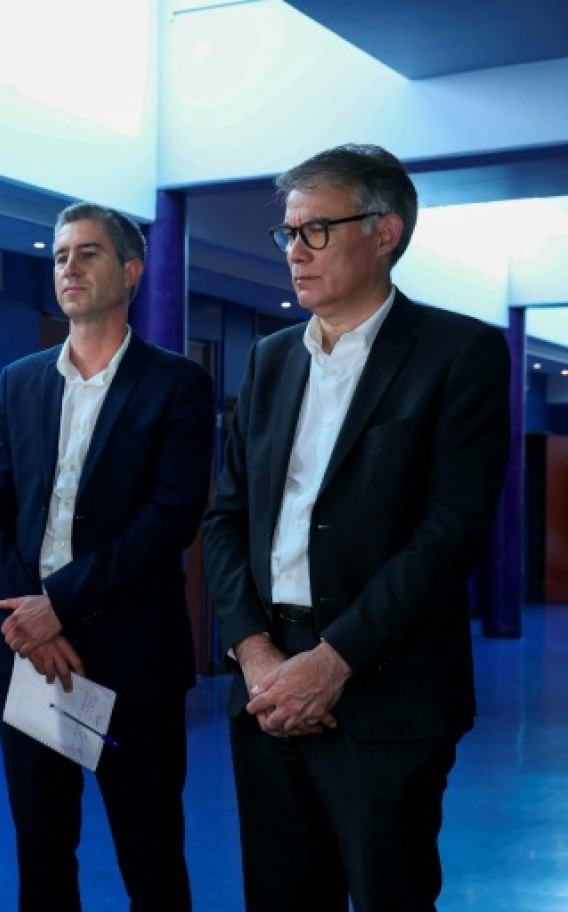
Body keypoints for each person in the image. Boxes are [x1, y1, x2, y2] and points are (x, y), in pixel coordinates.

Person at [202, 143, 511, 912]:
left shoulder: (458, 352)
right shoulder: (271, 360)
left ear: (385, 233)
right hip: (266, 685)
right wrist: (254, 652)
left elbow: (451, 531)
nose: (294, 253)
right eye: (288, 234)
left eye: (317, 231)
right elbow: (227, 516)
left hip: (387, 693)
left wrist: (334, 661)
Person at [0, 202, 214, 911]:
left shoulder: (176, 384)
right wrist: (28, 616)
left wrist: (60, 606)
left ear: (132, 271)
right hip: (28, 653)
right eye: (59, 255)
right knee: (42, 852)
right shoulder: (20, 380)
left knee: (150, 854)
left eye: (88, 254)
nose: (68, 267)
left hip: (131, 658)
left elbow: (168, 520)